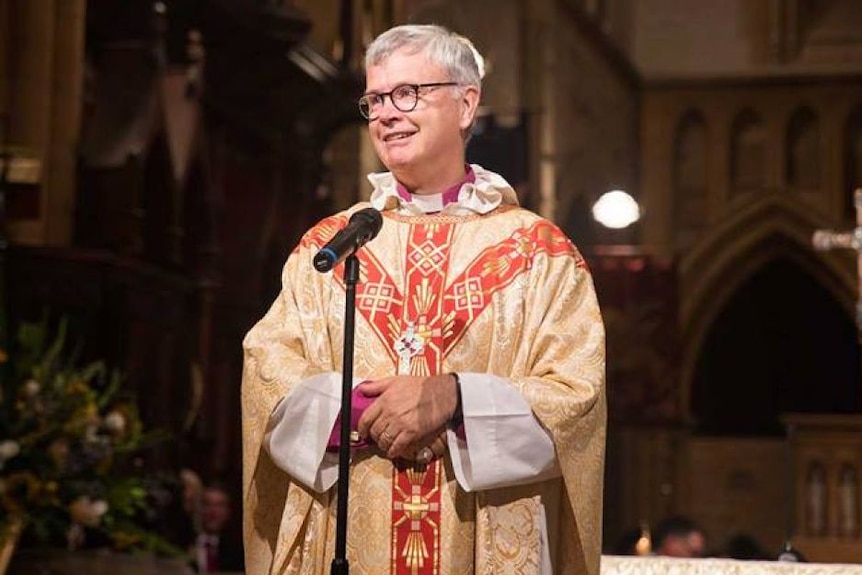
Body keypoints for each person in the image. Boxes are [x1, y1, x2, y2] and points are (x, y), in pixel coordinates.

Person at [241, 23, 606, 575]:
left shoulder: (539, 253)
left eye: (408, 93)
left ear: (466, 105)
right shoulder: (331, 245)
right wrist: (362, 412)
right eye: (375, 99)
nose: (387, 113)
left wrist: (455, 399)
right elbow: (267, 372)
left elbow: (578, 400)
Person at [192, 479, 245, 573]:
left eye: (220, 505)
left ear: (229, 511)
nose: (213, 512)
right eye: (207, 504)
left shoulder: (239, 552)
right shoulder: (185, 544)